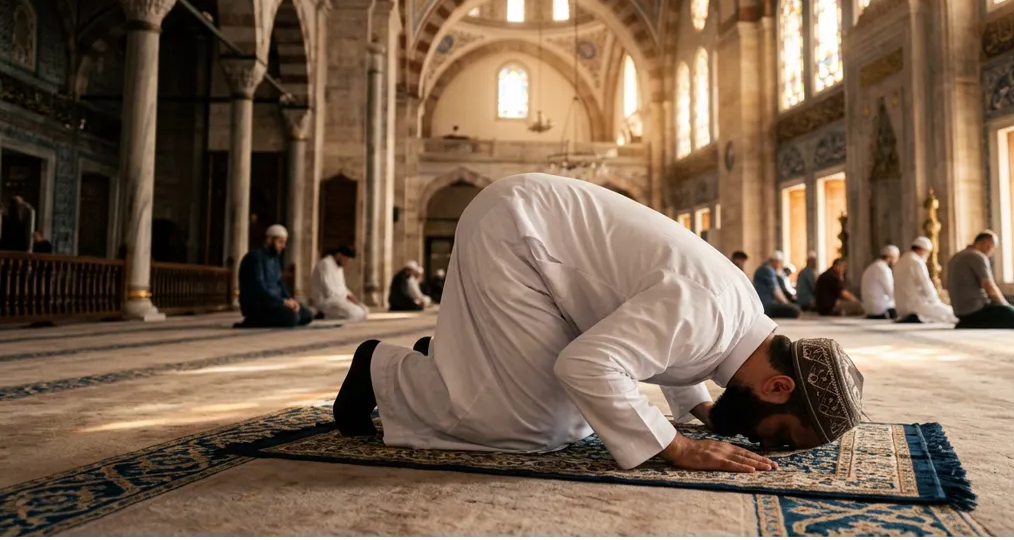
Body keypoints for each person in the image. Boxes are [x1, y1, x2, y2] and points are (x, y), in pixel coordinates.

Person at [334, 173, 866, 473]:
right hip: (516, 236)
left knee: (586, 416)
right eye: (781, 436)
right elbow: (588, 364)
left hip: (539, 247)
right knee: (532, 428)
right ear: (778, 386)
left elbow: (668, 345)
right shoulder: (710, 314)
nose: (766, 447)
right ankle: (380, 368)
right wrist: (677, 447)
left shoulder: (738, 316)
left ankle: (458, 355)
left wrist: (696, 405)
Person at [945, 231, 1014, 329]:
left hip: (959, 312)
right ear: (987, 243)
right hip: (976, 310)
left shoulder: (956, 257)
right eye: (993, 246)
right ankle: (972, 323)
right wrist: (1007, 307)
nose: (992, 252)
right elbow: (990, 288)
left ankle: (969, 322)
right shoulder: (978, 256)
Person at [236, 225, 314, 328]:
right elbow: (258, 288)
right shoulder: (254, 258)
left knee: (307, 314)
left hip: (275, 303)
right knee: (293, 317)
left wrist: (290, 300)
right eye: (280, 242)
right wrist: (283, 301)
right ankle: (253, 320)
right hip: (260, 305)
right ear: (269, 239)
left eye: (284, 242)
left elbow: (279, 283)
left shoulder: (275, 258)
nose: (283, 246)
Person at [894, 237, 958, 324]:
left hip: (900, 308)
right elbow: (925, 284)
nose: (927, 256)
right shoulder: (916, 261)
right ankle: (916, 316)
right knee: (949, 312)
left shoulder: (900, 261)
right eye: (928, 253)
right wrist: (936, 300)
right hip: (915, 305)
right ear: (923, 250)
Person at [310, 245, 368, 322]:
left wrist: (354, 300)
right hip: (326, 301)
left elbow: (343, 288)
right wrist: (345, 299)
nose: (346, 263)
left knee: (364, 309)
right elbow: (329, 291)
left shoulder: (339, 267)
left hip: (338, 300)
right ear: (339, 255)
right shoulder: (325, 264)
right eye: (346, 259)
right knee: (354, 313)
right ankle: (325, 315)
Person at [753, 251, 802, 319]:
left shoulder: (762, 268)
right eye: (780, 262)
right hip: (766, 306)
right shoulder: (769, 270)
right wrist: (787, 303)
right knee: (795, 309)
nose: (780, 265)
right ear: (775, 261)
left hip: (761, 305)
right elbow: (776, 291)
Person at [860, 246, 899, 320]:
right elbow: (891, 291)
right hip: (881, 309)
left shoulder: (872, 267)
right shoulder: (884, 269)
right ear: (891, 257)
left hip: (868, 308)